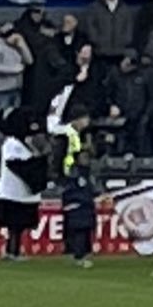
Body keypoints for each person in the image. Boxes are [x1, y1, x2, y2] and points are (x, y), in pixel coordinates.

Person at [0, 107, 48, 261]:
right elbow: (18, 165)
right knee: (14, 225)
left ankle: (14, 249)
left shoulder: (27, 143)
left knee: (19, 225)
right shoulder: (12, 144)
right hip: (13, 192)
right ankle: (12, 251)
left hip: (22, 193)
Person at [56, 106, 96, 268]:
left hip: (77, 177)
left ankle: (77, 251)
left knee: (78, 218)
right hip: (71, 180)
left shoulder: (83, 134)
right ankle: (75, 251)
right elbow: (63, 158)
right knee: (76, 217)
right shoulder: (66, 135)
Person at [84, 0, 139, 71]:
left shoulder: (124, 8)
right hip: (101, 51)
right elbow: (90, 26)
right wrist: (97, 40)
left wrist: (126, 40)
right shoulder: (94, 8)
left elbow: (129, 26)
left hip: (120, 50)